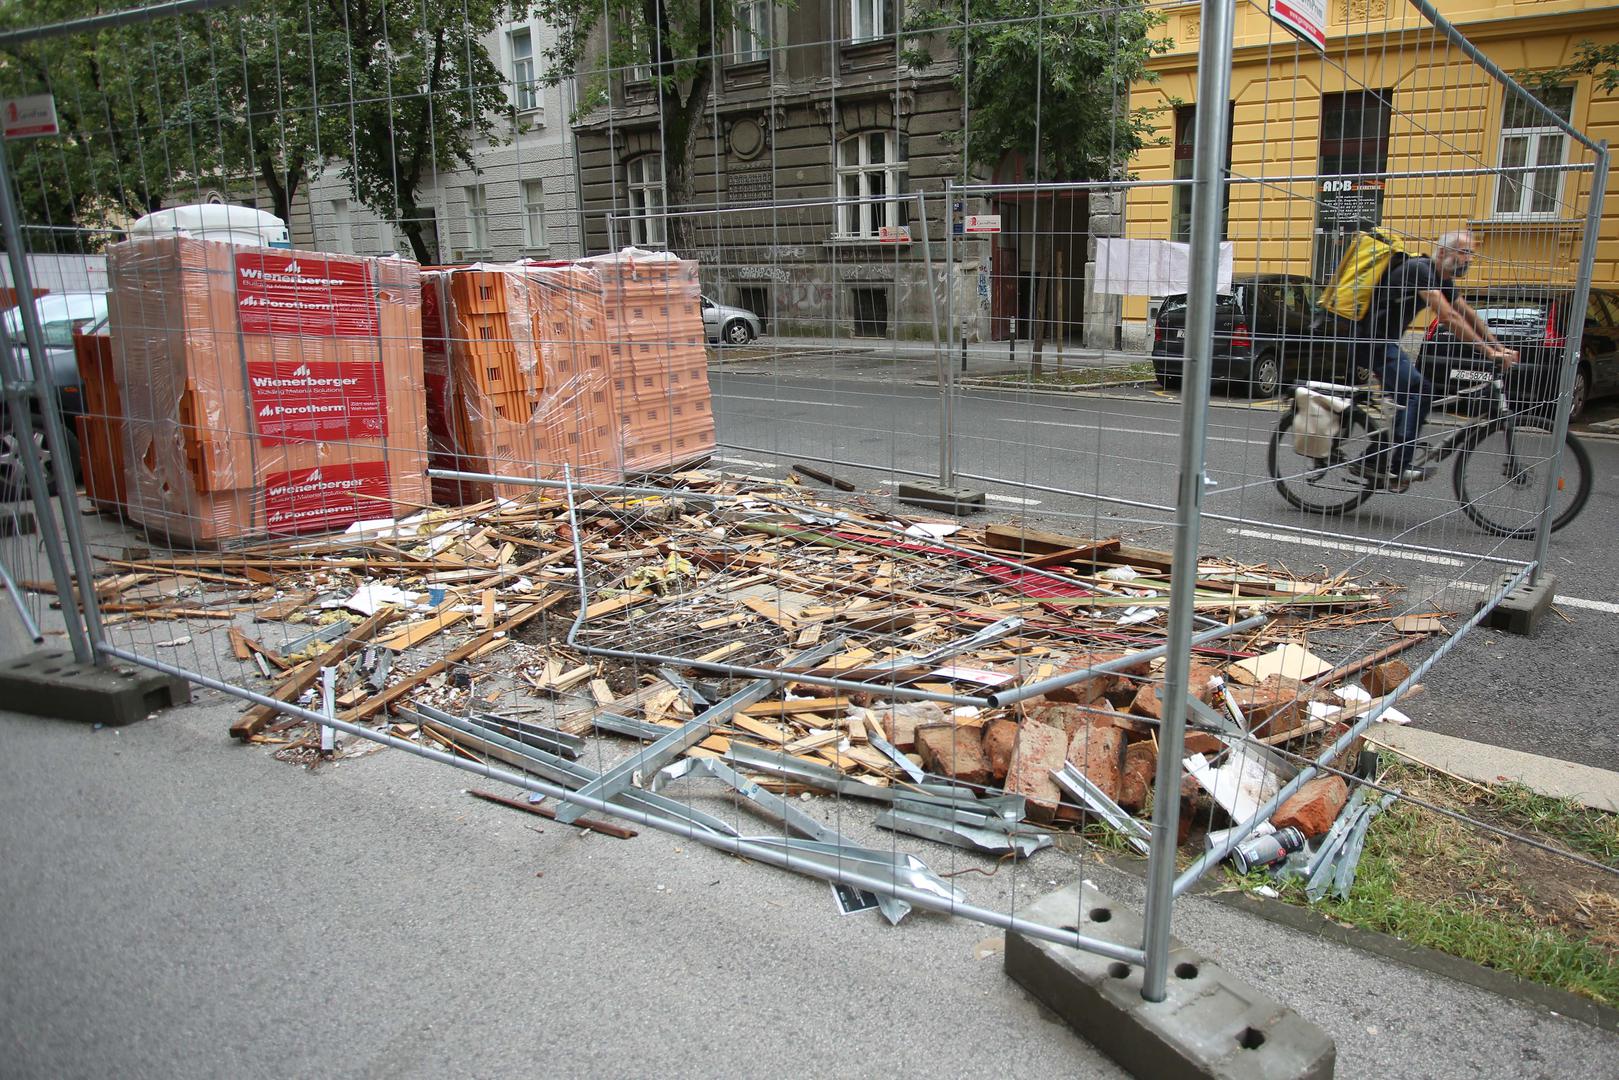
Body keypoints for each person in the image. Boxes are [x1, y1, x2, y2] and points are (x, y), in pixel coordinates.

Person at [1358, 229, 1517, 490]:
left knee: (1408, 398)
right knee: (1419, 390)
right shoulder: (1420, 269)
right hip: (1369, 341)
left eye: (1471, 255)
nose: (1468, 260)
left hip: (1384, 343)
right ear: (1442, 252)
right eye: (1464, 253)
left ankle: (1375, 459)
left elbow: (1467, 314)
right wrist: (1488, 352)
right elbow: (1448, 317)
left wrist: (1499, 347)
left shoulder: (1442, 279)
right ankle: (1399, 468)